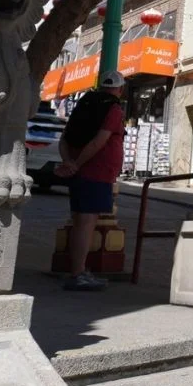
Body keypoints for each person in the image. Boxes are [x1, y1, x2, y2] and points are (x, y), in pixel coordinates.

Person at [55, 69, 127, 292]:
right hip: (96, 173)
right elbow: (99, 142)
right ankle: (77, 273)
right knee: (86, 224)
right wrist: (77, 164)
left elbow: (64, 138)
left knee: (79, 221)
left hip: (80, 173)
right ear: (120, 89)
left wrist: (69, 161)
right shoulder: (113, 109)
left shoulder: (85, 103)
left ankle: (79, 270)